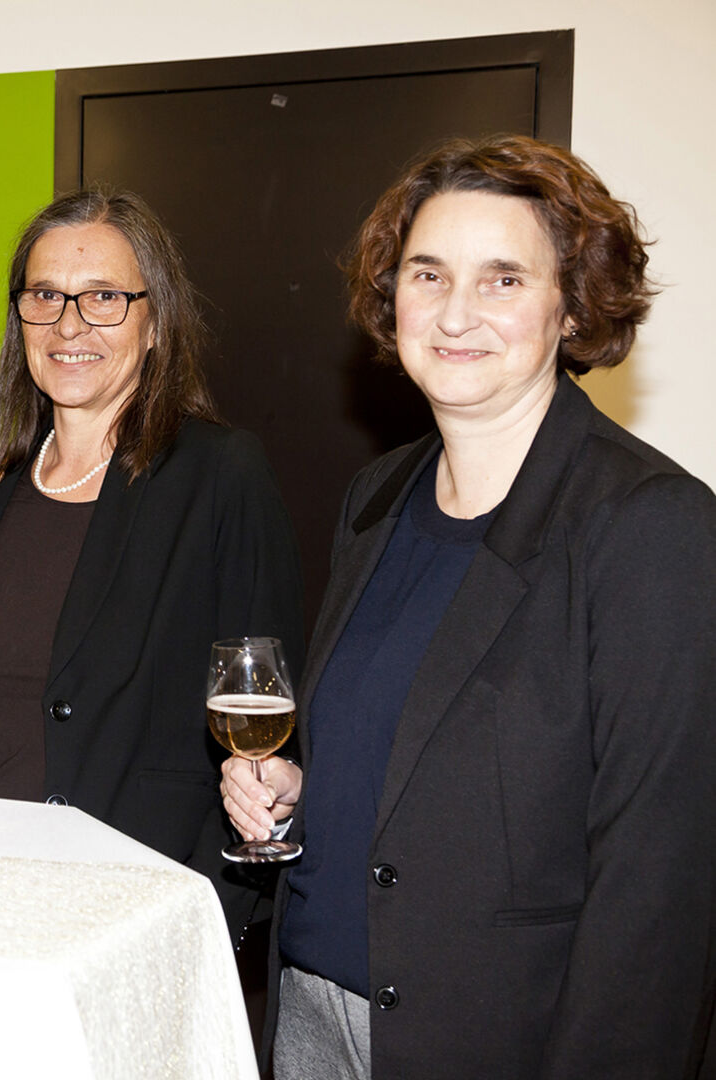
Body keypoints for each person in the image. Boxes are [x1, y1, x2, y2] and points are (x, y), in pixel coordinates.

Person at [222, 135, 716, 1078]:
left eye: (502, 280)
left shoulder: (648, 524)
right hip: (312, 1015)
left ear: (572, 307)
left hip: (501, 1041)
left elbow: (660, 884)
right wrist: (302, 796)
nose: (454, 313)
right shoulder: (376, 497)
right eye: (428, 274)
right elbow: (422, 761)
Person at [0, 189, 304, 934]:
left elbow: (269, 712)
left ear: (154, 321)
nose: (69, 324)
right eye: (45, 295)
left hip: (136, 903)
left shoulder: (218, 475)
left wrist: (204, 915)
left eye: (103, 297)